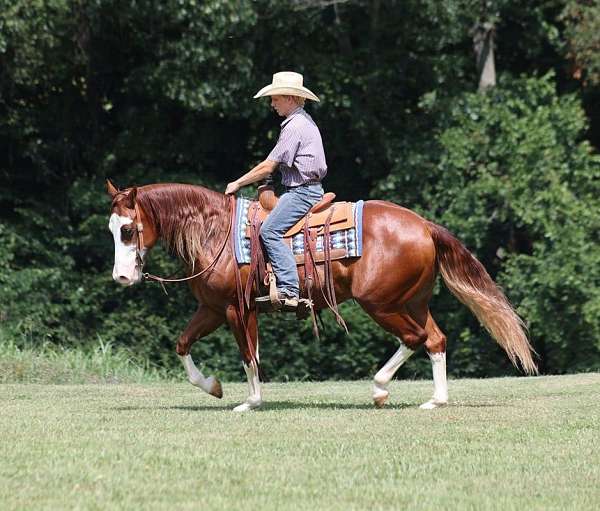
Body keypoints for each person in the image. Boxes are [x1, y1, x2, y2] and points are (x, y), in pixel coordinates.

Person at [225, 71, 327, 310]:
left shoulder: (295, 126)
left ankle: (289, 289)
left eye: (276, 98)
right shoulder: (303, 121)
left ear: (290, 98)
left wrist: (238, 183)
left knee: (269, 230)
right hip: (305, 188)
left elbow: (269, 165)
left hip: (303, 193)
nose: (272, 104)